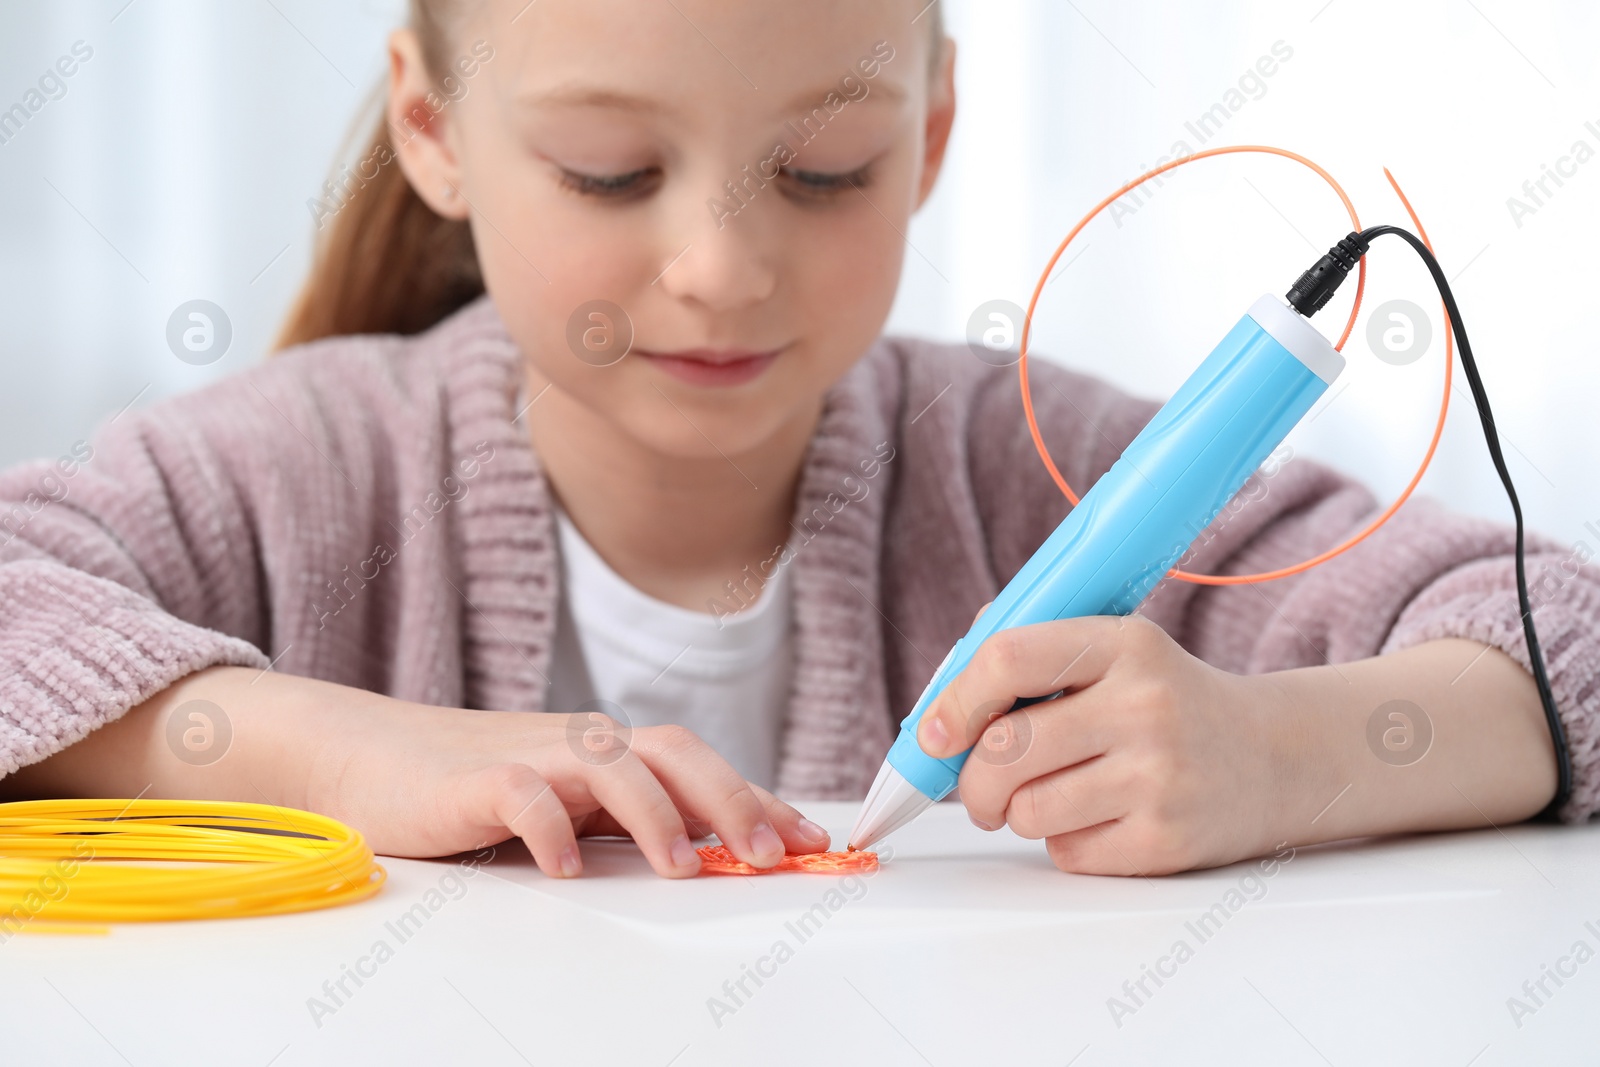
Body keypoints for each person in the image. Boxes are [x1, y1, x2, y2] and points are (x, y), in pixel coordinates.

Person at [1, 0, 1594, 880]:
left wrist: (1280, 757)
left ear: (933, 136)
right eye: (613, 171)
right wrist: (359, 752)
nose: (721, 267)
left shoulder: (1020, 467)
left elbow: (1557, 643)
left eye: (827, 168)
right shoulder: (307, 471)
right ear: (435, 130)